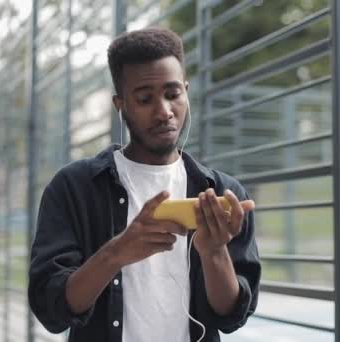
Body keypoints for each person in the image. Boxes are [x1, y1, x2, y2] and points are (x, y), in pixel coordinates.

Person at [28, 27, 261, 342]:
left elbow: (230, 316)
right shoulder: (74, 187)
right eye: (144, 98)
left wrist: (214, 252)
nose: (164, 111)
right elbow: (51, 309)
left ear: (186, 92)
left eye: (173, 94)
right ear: (120, 103)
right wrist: (117, 252)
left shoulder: (220, 193)